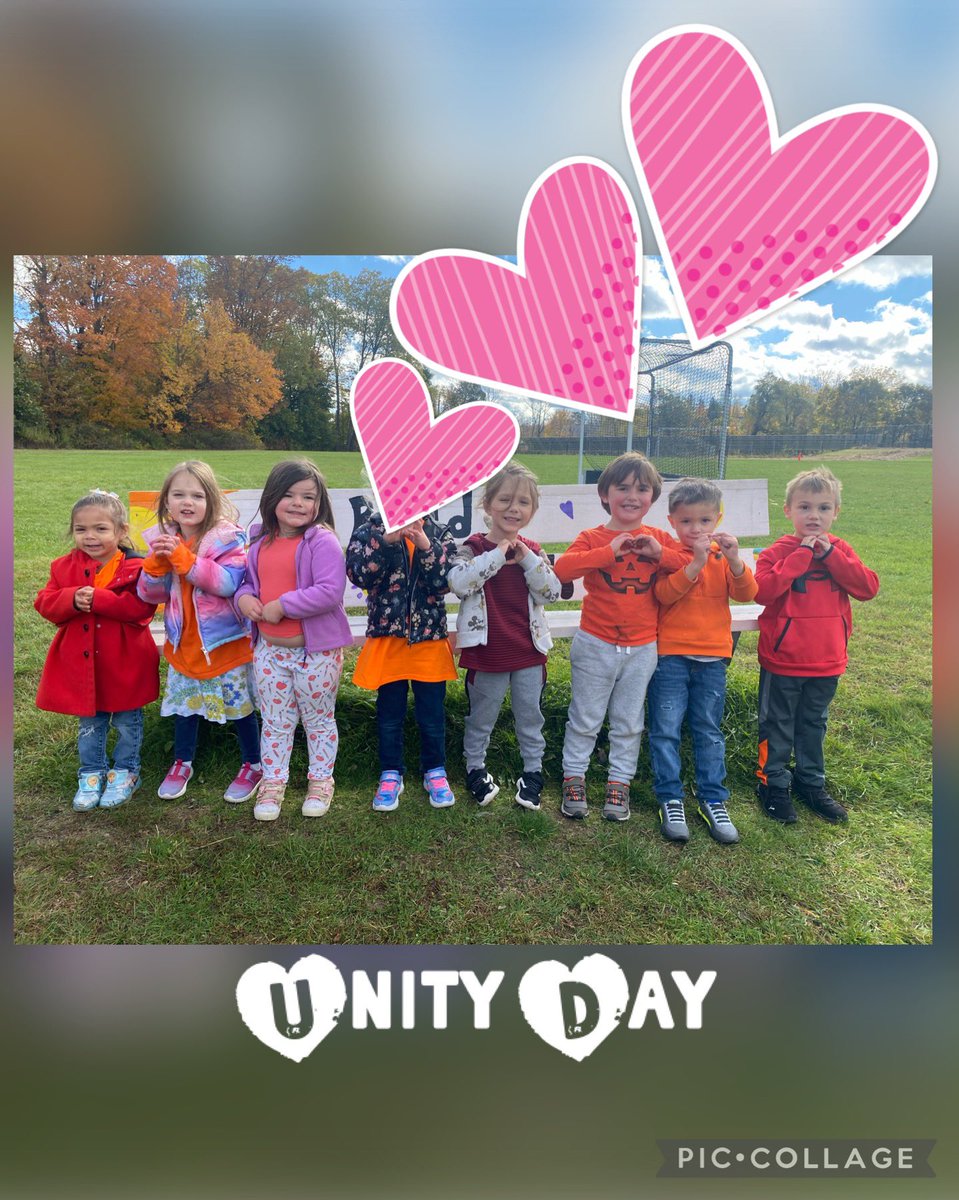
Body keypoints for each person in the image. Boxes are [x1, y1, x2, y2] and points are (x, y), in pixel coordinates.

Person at [554, 452, 688, 822]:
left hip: (642, 646)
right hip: (595, 642)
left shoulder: (660, 539)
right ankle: (573, 776)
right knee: (585, 716)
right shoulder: (592, 538)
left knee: (629, 721)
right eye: (623, 488)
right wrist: (608, 552)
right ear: (605, 494)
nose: (632, 496)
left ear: (652, 497)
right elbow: (563, 569)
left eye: (642, 489)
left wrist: (660, 555)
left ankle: (619, 782)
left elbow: (689, 565)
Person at [754, 466, 879, 823]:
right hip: (783, 659)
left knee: (813, 723)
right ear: (788, 511)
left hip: (827, 659)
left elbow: (867, 588)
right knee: (777, 723)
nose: (814, 515)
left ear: (835, 512)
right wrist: (800, 558)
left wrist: (829, 556)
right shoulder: (778, 551)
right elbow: (762, 591)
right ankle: (772, 782)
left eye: (823, 508)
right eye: (805, 507)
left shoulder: (840, 549)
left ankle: (810, 782)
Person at [137, 460, 261, 804]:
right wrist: (153, 568)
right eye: (178, 495)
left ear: (212, 501)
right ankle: (182, 761)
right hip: (185, 642)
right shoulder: (163, 540)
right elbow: (150, 595)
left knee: (240, 706)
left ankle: (253, 762)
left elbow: (227, 583)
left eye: (197, 495)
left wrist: (187, 561)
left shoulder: (226, 538)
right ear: (167, 501)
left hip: (224, 643)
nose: (187, 502)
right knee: (185, 708)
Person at [234, 460, 351, 822]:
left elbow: (330, 591)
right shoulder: (260, 541)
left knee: (318, 720)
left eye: (308, 497)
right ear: (272, 498)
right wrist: (245, 600)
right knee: (275, 721)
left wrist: (283, 606)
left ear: (319, 503)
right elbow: (247, 584)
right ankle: (273, 782)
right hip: (269, 651)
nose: (298, 503)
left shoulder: (322, 541)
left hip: (315, 654)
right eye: (289, 494)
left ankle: (321, 780)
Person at [648, 478, 758, 844]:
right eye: (686, 521)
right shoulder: (669, 554)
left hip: (712, 657)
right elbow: (664, 595)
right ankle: (670, 797)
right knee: (665, 728)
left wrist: (735, 560)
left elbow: (747, 593)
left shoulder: (723, 557)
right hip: (671, 655)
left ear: (717, 519)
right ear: (672, 522)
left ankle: (713, 798)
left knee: (708, 729)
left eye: (705, 520)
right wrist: (694, 564)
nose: (696, 529)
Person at [35, 489, 159, 811]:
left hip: (125, 661)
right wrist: (70, 599)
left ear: (120, 531)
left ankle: (126, 770)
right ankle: (91, 772)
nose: (89, 536)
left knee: (127, 721)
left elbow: (142, 609)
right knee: (90, 722)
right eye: (81, 529)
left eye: (100, 528)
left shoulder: (136, 566)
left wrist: (101, 599)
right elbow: (45, 602)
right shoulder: (63, 567)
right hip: (83, 663)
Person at [448, 463, 561, 810]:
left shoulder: (533, 550)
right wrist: (497, 554)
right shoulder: (472, 547)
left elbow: (551, 592)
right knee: (481, 717)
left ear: (533, 510)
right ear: (488, 504)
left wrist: (528, 560)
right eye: (505, 500)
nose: (514, 508)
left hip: (528, 652)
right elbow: (459, 583)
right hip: (487, 653)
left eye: (523, 502)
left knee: (531, 716)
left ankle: (533, 773)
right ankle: (475, 768)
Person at [346, 507, 457, 812]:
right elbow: (359, 574)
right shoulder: (369, 530)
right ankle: (391, 772)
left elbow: (445, 582)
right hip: (388, 639)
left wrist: (425, 544)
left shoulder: (438, 532)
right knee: (389, 714)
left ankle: (435, 770)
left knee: (432, 714)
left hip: (429, 640)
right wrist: (385, 541)